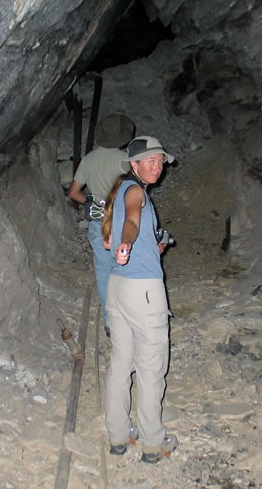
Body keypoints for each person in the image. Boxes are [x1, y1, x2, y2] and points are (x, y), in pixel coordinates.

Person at [102, 136, 178, 464]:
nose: (158, 167)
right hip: (143, 291)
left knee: (121, 362)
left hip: (117, 288)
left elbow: (110, 241)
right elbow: (131, 222)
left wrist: (140, 246)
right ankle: (152, 443)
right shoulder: (135, 192)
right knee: (150, 366)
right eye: (150, 161)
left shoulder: (117, 193)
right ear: (134, 165)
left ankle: (118, 437)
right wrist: (128, 242)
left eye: (160, 161)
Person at [67, 114, 135, 336]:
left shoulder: (88, 159)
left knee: (104, 272)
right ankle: (129, 317)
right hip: (121, 221)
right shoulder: (124, 160)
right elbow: (134, 194)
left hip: (98, 221)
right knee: (125, 268)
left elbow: (73, 192)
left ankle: (109, 321)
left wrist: (94, 203)